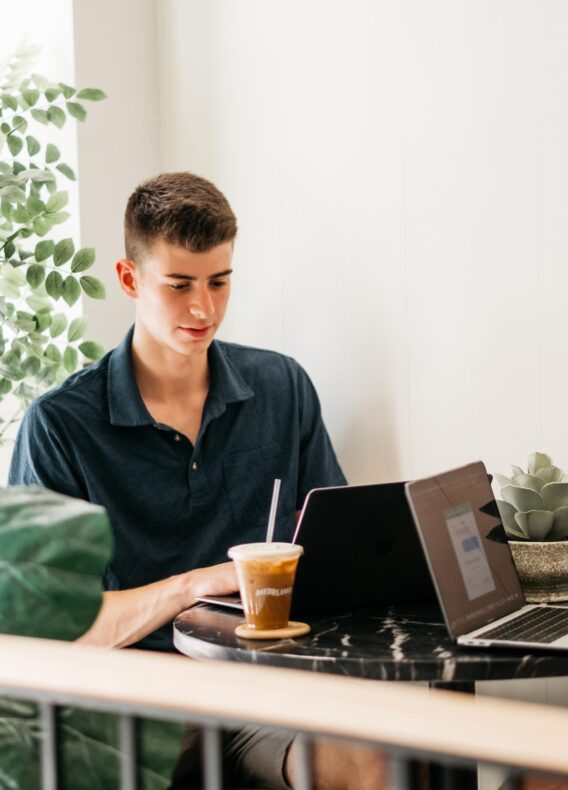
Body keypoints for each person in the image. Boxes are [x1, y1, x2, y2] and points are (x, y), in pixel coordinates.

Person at [8, 172, 385, 789]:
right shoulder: (60, 425)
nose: (203, 308)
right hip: (138, 702)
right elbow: (50, 631)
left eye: (219, 281)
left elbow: (334, 549)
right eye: (179, 285)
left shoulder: (282, 387)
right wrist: (193, 586)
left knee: (378, 762)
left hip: (268, 690)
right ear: (129, 278)